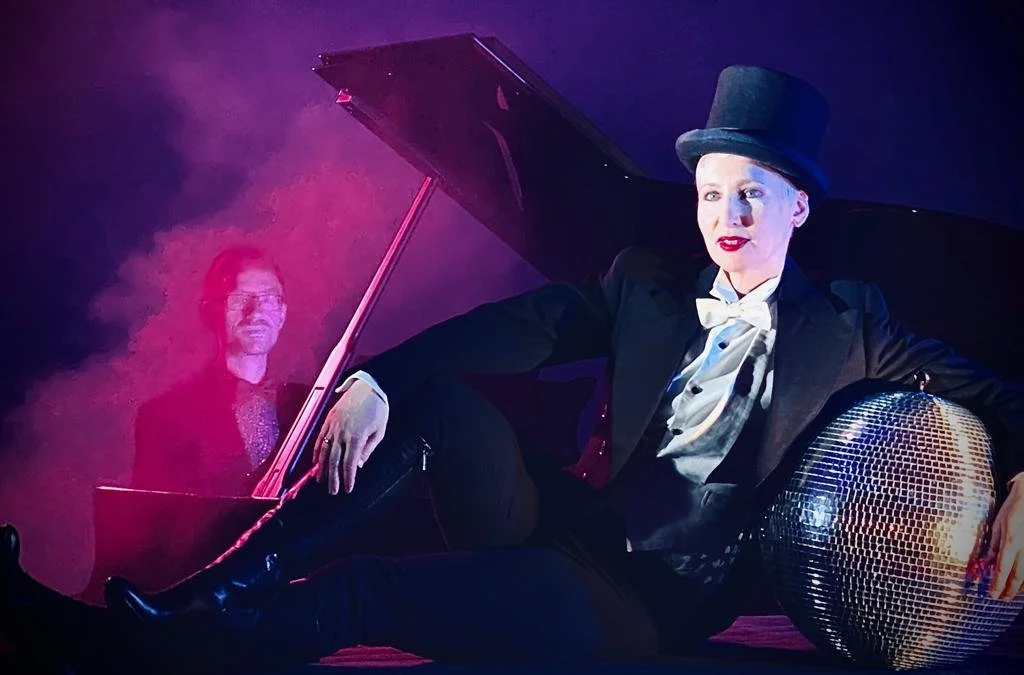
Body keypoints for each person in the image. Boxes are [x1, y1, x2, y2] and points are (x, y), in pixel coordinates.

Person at [2, 65, 1022, 674]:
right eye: (712, 192)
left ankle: (131, 654)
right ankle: (188, 601)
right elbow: (515, 327)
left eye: (752, 192)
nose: (727, 215)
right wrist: (379, 381)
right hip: (566, 522)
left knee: (366, 593)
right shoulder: (644, 283)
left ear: (799, 205)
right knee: (441, 398)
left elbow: (998, 395)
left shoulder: (852, 323)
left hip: (644, 601)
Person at [132, 246, 309, 495]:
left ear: (282, 314)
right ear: (209, 312)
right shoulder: (163, 417)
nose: (256, 312)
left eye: (269, 298)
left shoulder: (309, 404)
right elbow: (153, 516)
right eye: (239, 299)